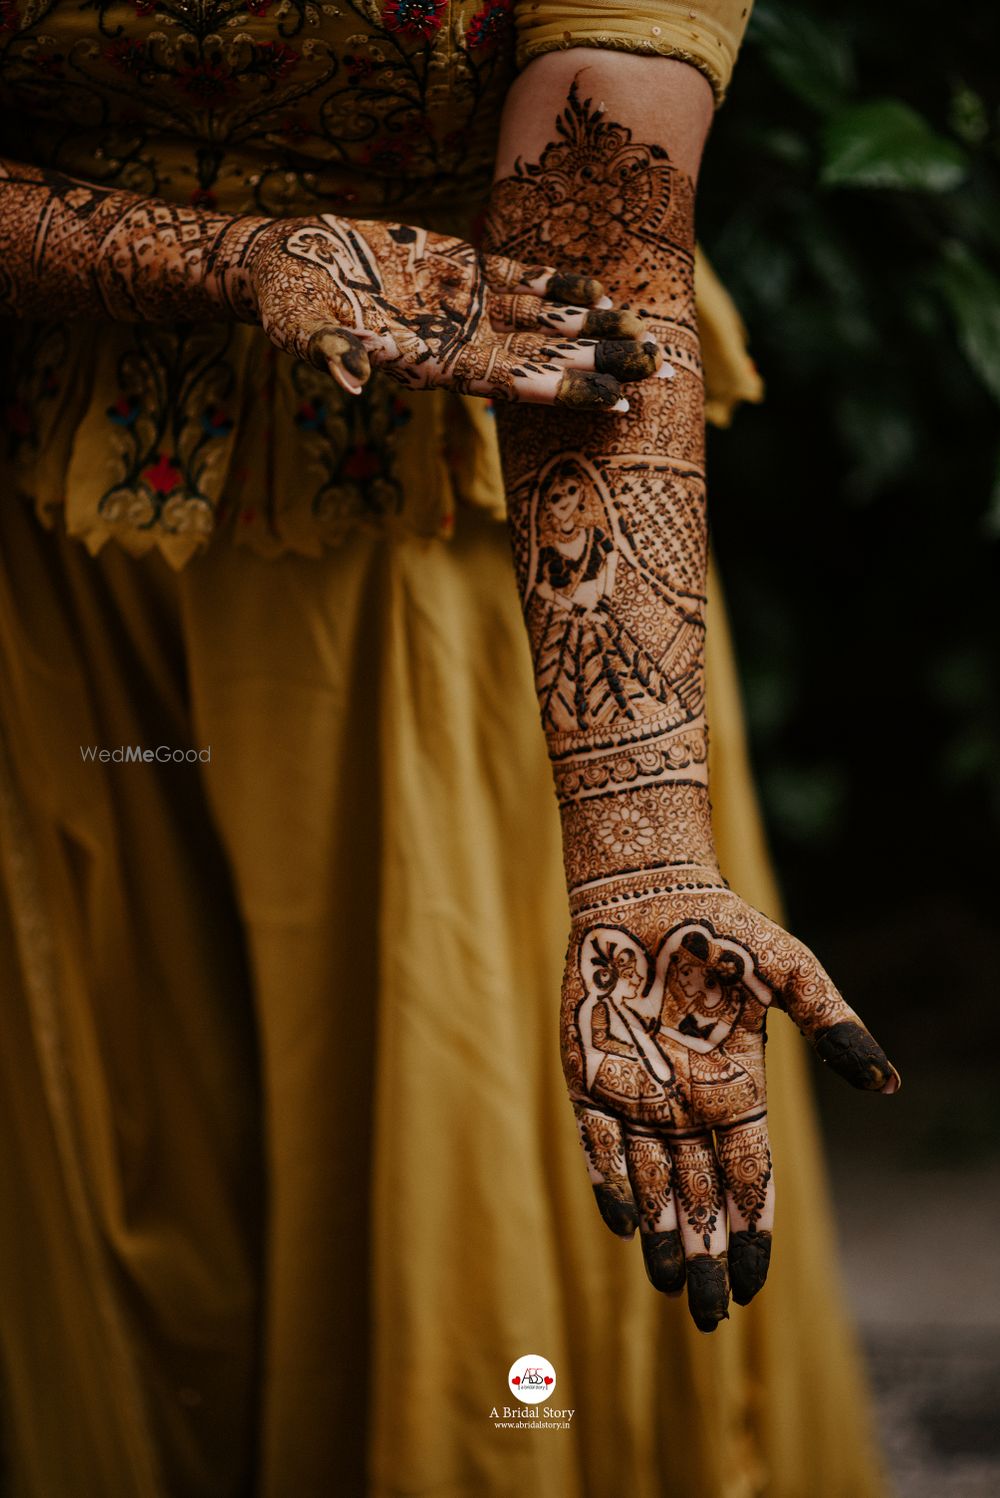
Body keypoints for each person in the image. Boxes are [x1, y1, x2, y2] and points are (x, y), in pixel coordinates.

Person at [0, 3, 897, 1494]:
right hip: (61, 533)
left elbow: (594, 294)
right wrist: (234, 258)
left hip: (470, 549)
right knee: (140, 1166)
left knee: (449, 1153)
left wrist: (640, 857)